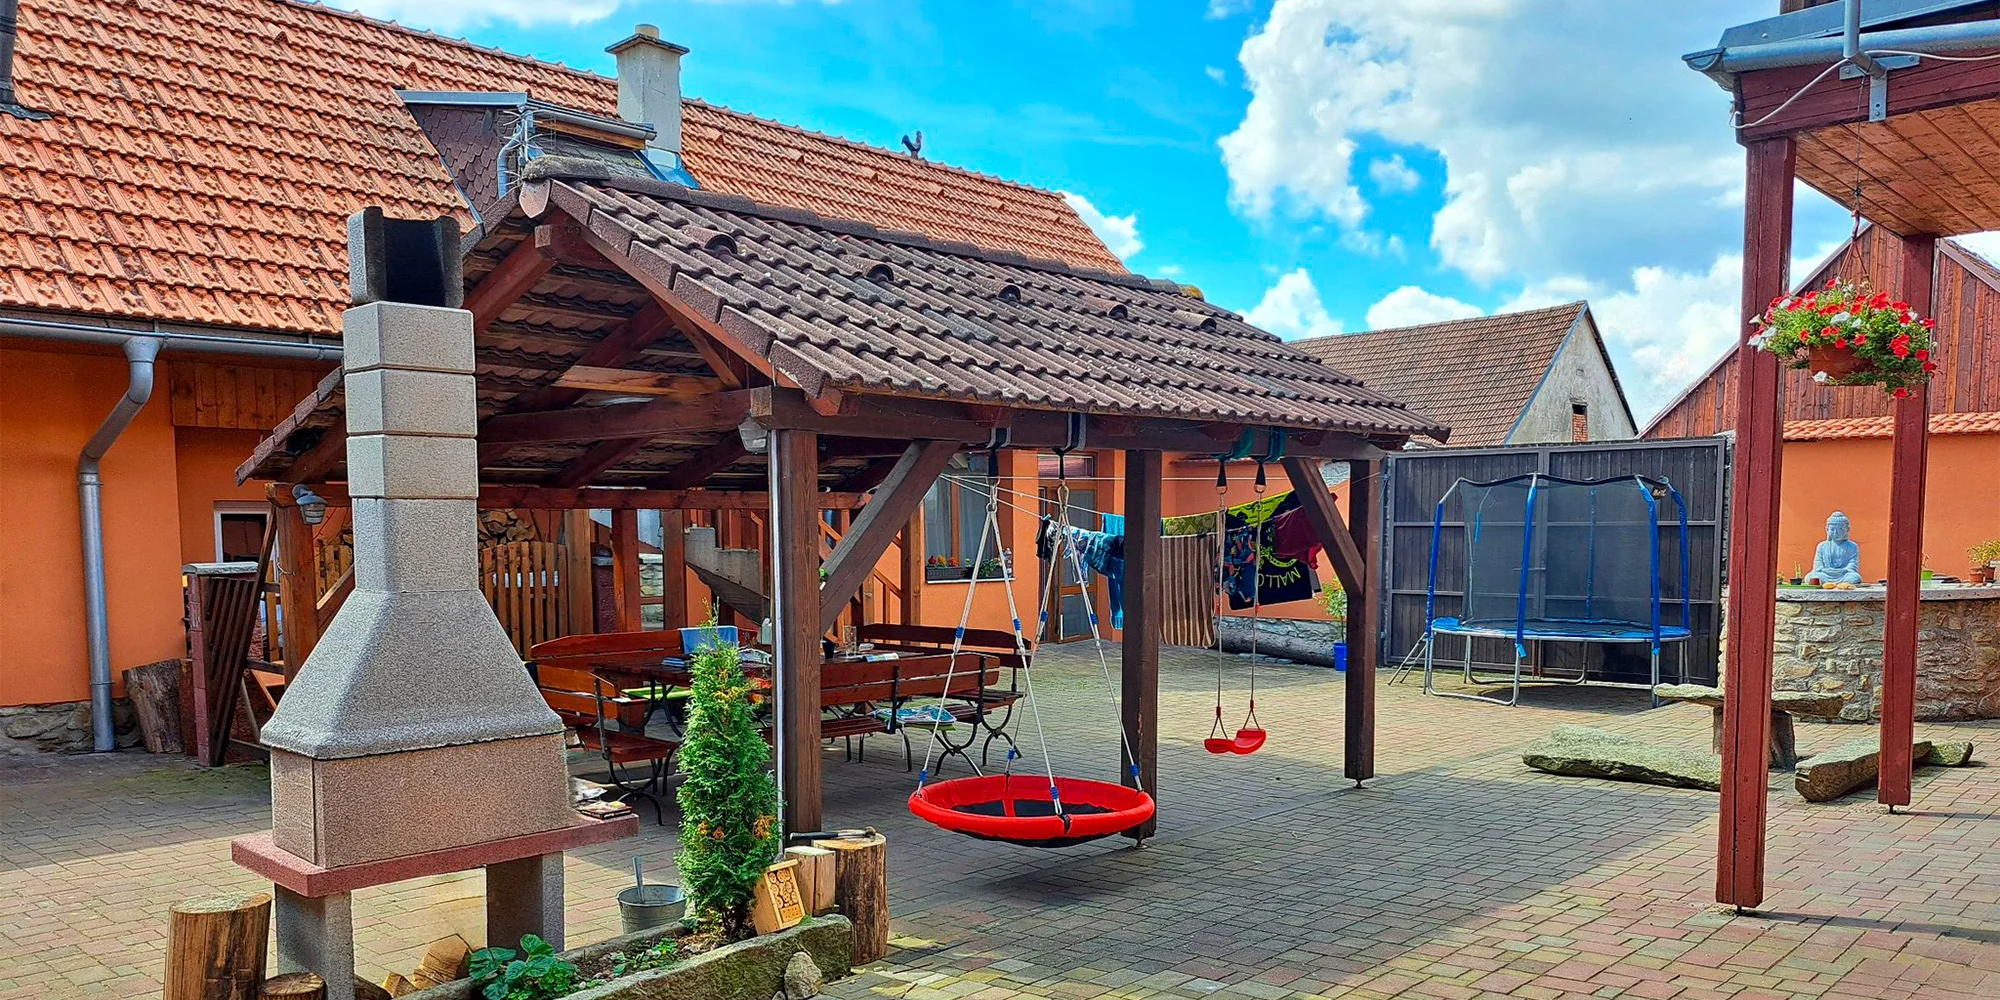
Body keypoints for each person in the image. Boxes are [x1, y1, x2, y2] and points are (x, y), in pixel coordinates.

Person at [1804, 511, 1864, 586]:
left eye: (1840, 529)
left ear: (1847, 529)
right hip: (1825, 574)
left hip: (1843, 575)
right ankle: (1834, 583)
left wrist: (1844, 570)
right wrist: (1823, 570)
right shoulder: (1822, 546)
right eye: (1832, 529)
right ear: (1827, 530)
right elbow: (1818, 563)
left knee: (1855, 578)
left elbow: (1852, 564)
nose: (1836, 533)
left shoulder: (1852, 546)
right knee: (1810, 577)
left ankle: (1840, 583)